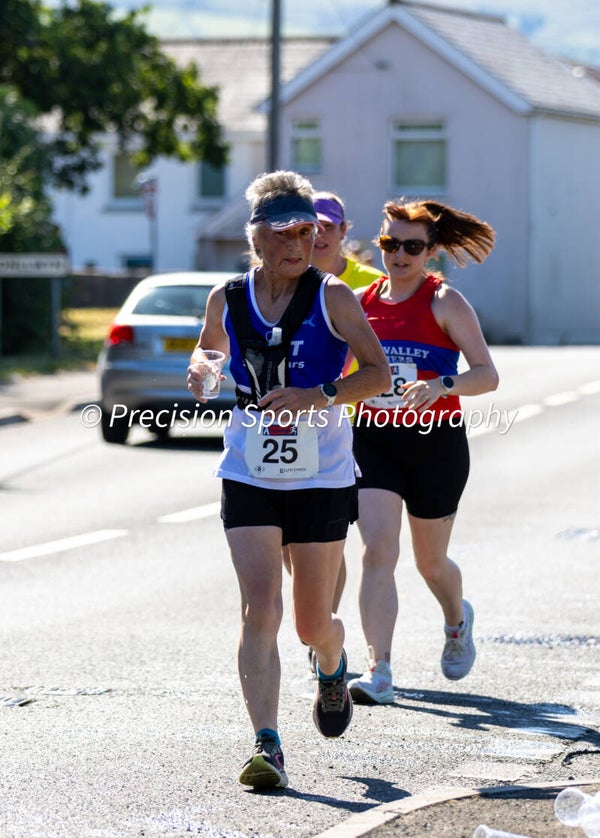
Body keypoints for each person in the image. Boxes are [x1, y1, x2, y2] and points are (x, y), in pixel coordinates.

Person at [187, 171, 390, 789]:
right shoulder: (226, 296)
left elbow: (378, 373)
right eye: (284, 235)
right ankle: (267, 744)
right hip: (249, 468)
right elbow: (208, 352)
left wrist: (318, 393)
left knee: (309, 622)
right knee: (260, 609)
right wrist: (202, 371)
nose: (298, 246)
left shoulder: (333, 297)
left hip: (321, 474)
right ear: (256, 237)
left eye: (308, 232)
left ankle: (331, 665)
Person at [346, 198, 499, 705]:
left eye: (412, 246)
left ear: (430, 251)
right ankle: (379, 669)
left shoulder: (444, 302)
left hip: (436, 444)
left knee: (430, 564)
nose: (400, 255)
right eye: (391, 244)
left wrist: (442, 384)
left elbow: (487, 374)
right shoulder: (361, 304)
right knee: (377, 552)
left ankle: (457, 619)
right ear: (379, 244)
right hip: (374, 439)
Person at [281, 191, 384, 629]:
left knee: (334, 541)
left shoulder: (368, 284)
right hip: (295, 426)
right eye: (310, 227)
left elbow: (380, 362)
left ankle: (325, 633)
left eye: (328, 226)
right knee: (297, 549)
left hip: (365, 424)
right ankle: (324, 626)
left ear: (345, 231)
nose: (319, 235)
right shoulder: (281, 281)